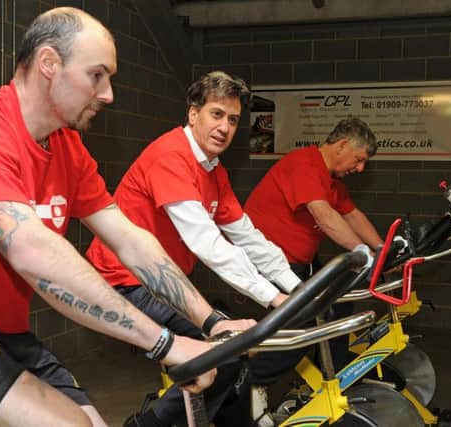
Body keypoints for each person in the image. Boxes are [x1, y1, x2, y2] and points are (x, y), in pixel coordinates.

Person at [0, 8, 254, 427]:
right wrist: (165, 343)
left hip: (2, 330)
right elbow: (33, 252)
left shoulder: (66, 147)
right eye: (97, 75)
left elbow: (129, 239)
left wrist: (209, 322)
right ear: (49, 64)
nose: (108, 94)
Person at [86, 71, 307, 427]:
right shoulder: (171, 157)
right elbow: (206, 242)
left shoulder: (213, 171)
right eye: (216, 114)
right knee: (221, 357)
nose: (224, 127)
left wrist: (296, 288)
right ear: (193, 114)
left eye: (233, 120)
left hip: (164, 284)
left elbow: (247, 236)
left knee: (230, 352)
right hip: (124, 281)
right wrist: (272, 297)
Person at [244, 116, 383, 369]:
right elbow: (324, 215)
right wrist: (363, 252)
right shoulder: (304, 163)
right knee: (301, 331)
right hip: (271, 261)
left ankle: (333, 371)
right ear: (341, 145)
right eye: (359, 159)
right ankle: (245, 388)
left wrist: (380, 250)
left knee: (340, 297)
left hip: (298, 260)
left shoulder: (332, 180)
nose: (360, 168)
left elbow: (351, 215)